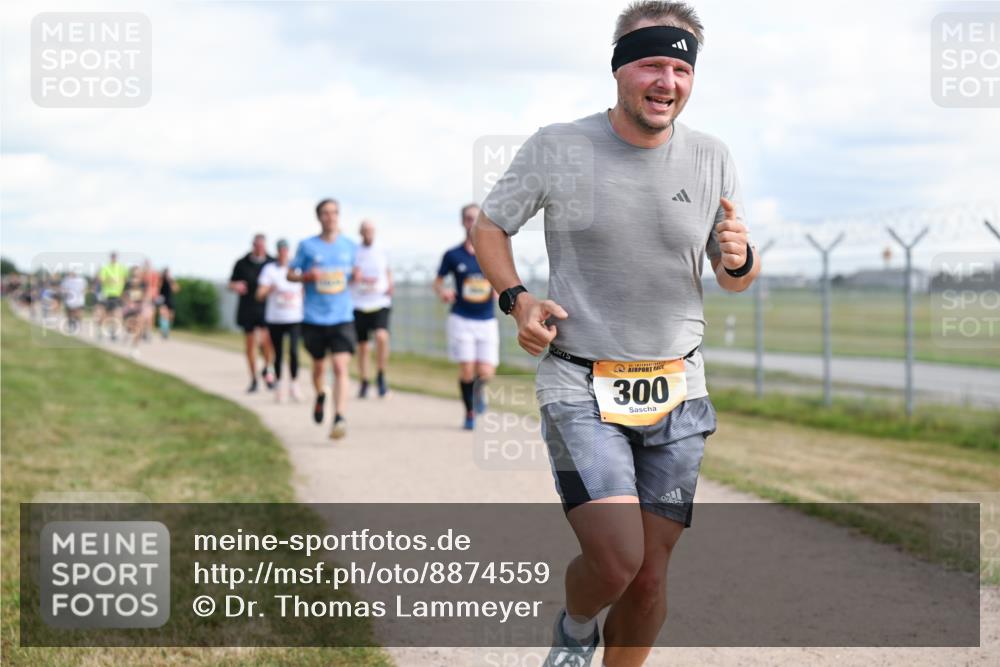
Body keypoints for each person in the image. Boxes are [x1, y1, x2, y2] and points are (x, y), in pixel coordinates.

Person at [472, 3, 761, 666]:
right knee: (616, 559)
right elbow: (491, 226)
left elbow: (733, 273)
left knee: (651, 574)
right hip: (581, 381)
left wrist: (740, 256)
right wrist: (517, 300)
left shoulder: (713, 157)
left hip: (678, 387)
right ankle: (576, 627)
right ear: (619, 71)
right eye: (653, 64)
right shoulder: (559, 146)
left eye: (681, 68)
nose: (668, 81)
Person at [288, 199, 358, 439]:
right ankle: (320, 395)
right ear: (319, 217)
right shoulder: (307, 246)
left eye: (334, 213)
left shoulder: (350, 246)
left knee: (340, 366)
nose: (330, 217)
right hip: (314, 318)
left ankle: (339, 417)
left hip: (342, 316)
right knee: (319, 366)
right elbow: (290, 273)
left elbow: (354, 275)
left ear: (339, 216)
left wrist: (356, 276)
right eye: (325, 213)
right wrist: (307, 276)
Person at [433, 203, 498, 431]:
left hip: (487, 320)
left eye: (477, 218)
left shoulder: (492, 253)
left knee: (486, 372)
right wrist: (444, 292)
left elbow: (502, 281)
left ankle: (480, 391)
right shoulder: (452, 255)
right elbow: (438, 282)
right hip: (461, 318)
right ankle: (469, 412)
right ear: (463, 222)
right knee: (467, 369)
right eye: (469, 218)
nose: (473, 222)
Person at [257, 239, 304, 403]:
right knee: (278, 353)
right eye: (280, 250)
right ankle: (278, 385)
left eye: (286, 250)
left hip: (294, 317)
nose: (283, 253)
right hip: (276, 318)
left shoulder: (296, 269)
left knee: (293, 351)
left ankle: (294, 384)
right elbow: (259, 294)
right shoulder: (269, 270)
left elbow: (304, 290)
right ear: (277, 252)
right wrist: (270, 288)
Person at [229, 234, 276, 393]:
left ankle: (267, 371)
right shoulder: (242, 263)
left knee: (268, 344)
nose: (259, 248)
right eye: (257, 245)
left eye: (262, 246)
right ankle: (254, 379)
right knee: (250, 345)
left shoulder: (272, 262)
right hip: (248, 308)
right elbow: (231, 283)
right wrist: (235, 286)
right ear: (253, 246)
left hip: (268, 309)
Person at [352, 219, 393, 398]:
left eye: (371, 230)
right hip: (359, 303)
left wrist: (391, 283)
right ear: (360, 233)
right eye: (365, 231)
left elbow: (388, 270)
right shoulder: (354, 251)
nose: (368, 234)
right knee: (363, 346)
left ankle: (381, 375)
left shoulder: (382, 249)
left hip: (380, 301)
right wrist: (354, 275)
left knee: (381, 336)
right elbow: (349, 273)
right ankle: (364, 380)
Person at [96, 251, 127, 341]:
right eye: (112, 257)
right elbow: (101, 279)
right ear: (110, 258)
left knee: (116, 315)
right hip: (106, 294)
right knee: (104, 314)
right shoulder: (106, 267)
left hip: (117, 295)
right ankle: (101, 331)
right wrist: (110, 281)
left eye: (115, 257)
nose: (114, 258)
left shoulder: (121, 268)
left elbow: (125, 280)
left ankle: (114, 332)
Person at [120, 266, 146, 357]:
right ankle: (128, 333)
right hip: (128, 309)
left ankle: (135, 348)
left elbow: (146, 296)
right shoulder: (127, 284)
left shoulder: (143, 284)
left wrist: (143, 303)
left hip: (139, 309)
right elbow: (122, 296)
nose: (136, 275)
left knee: (139, 325)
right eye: (134, 273)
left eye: (138, 273)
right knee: (130, 328)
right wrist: (128, 302)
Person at [157, 267, 180, 339]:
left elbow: (176, 290)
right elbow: (158, 288)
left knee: (170, 317)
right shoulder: (161, 280)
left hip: (170, 300)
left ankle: (167, 331)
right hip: (163, 300)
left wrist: (172, 282)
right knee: (164, 316)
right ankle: (163, 332)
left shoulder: (171, 281)